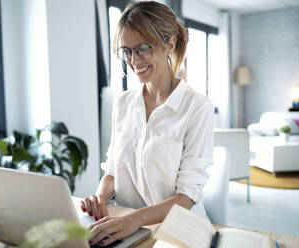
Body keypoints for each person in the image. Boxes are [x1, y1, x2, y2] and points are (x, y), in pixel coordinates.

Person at [80, 1, 214, 246]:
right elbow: (112, 170)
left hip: (177, 231)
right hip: (126, 228)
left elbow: (187, 197)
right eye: (127, 51)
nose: (134, 60)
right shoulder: (122, 103)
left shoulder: (197, 108)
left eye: (142, 48)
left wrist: (134, 219)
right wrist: (100, 197)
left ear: (170, 43)